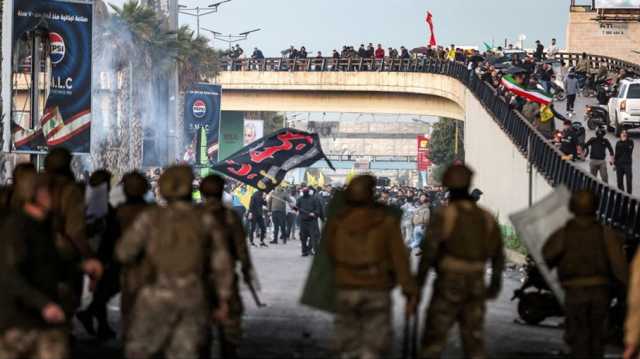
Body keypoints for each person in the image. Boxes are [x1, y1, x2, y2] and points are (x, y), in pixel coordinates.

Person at [116, 165, 233, 359]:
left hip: (154, 295)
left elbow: (123, 253)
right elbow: (222, 263)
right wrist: (224, 299)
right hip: (193, 295)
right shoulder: (205, 219)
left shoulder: (150, 217)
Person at [417, 164, 504, 358]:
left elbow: (429, 252)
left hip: (449, 283)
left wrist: (417, 286)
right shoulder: (486, 216)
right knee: (474, 339)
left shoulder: (444, 214)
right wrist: (495, 284)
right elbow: (498, 254)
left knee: (434, 338)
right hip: (476, 283)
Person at [326, 175, 418, 359]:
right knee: (375, 345)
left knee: (347, 344)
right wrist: (409, 291)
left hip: (345, 289)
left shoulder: (336, 222)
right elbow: (399, 259)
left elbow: (329, 254)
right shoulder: (386, 222)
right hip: (376, 288)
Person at [543, 190, 628, 359]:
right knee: (597, 335)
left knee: (577, 333)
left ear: (572, 207)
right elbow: (619, 267)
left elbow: (547, 256)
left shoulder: (564, 233)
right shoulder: (606, 233)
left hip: (574, 292)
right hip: (600, 292)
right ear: (596, 207)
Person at [0, 174, 71, 359]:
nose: (57, 197)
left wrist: (81, 266)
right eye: (52, 191)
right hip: (18, 322)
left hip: (40, 321)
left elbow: (51, 265)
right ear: (38, 194)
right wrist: (44, 304)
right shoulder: (16, 228)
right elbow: (10, 274)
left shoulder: (44, 227)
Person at [200, 175, 256, 359]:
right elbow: (241, 248)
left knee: (200, 329)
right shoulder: (229, 216)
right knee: (230, 330)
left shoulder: (193, 214)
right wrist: (247, 271)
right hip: (225, 278)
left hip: (197, 279)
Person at [43, 149, 103, 318]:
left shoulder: (33, 187)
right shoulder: (70, 191)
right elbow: (75, 231)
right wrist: (89, 257)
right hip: (61, 260)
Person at [296, 186, 322, 256]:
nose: (305, 192)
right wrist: (294, 208)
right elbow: (296, 208)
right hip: (303, 221)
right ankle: (304, 251)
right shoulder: (300, 199)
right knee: (303, 237)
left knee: (313, 236)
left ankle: (309, 249)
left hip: (312, 221)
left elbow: (318, 208)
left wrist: (314, 213)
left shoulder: (314, 199)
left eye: (306, 191)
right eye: (303, 191)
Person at [614, 130, 634, 194]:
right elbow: (616, 154)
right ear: (620, 134)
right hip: (619, 165)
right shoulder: (618, 143)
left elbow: (629, 150)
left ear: (627, 135)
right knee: (619, 182)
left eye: (625, 133)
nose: (624, 134)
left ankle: (629, 195)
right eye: (622, 133)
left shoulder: (630, 142)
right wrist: (615, 164)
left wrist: (624, 141)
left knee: (629, 181)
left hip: (627, 164)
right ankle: (622, 195)